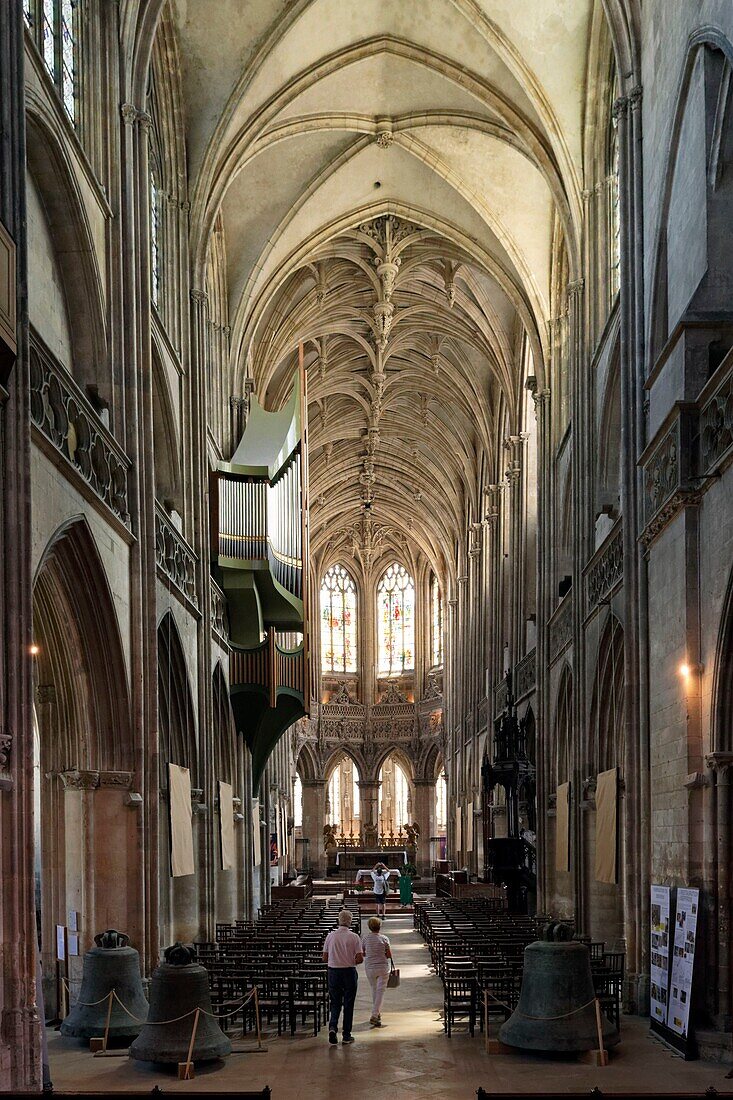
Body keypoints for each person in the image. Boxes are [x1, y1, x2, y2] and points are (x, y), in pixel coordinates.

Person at [322, 909, 363, 1045]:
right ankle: (346, 1035)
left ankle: (333, 1027)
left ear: (338, 921)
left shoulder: (330, 936)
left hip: (333, 972)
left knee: (335, 1002)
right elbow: (359, 958)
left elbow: (324, 957)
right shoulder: (354, 937)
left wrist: (336, 958)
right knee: (348, 1004)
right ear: (350, 922)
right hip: (349, 972)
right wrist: (349, 959)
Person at [361, 916, 392, 1027]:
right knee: (380, 991)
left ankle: (377, 1015)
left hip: (370, 967)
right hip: (383, 967)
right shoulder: (384, 938)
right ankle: (375, 1014)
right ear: (379, 927)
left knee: (375, 990)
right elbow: (389, 955)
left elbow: (363, 953)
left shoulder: (365, 938)